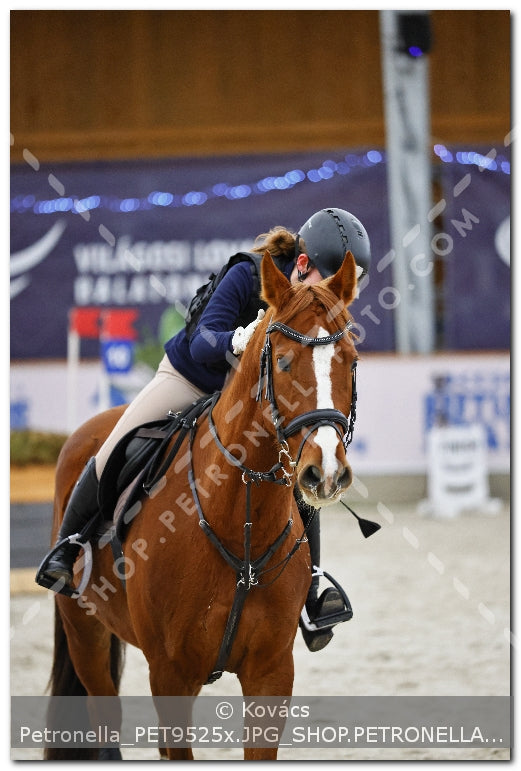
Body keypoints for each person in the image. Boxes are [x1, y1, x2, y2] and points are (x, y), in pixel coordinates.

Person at [36, 207, 371, 651]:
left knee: (296, 463)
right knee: (116, 443)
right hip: (193, 378)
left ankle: (312, 584)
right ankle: (70, 546)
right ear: (303, 265)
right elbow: (202, 340)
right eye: (325, 287)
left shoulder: (312, 309)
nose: (327, 303)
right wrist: (239, 339)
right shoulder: (247, 275)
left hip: (248, 404)